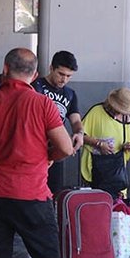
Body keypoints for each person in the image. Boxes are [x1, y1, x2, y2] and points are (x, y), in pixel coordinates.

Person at [0, 48, 82, 258]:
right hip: (32, 197)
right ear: (35, 76)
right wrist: (46, 156)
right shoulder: (43, 104)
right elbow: (65, 148)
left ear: (5, 69)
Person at [32, 50, 85, 192]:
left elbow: (75, 121)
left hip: (56, 149)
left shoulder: (70, 94)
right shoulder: (36, 87)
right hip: (35, 147)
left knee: (54, 191)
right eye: (61, 74)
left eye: (69, 76)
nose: (64, 79)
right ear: (51, 68)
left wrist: (79, 133)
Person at [79, 88, 130, 199]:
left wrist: (129, 146)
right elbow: (80, 135)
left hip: (116, 172)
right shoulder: (96, 111)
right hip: (95, 169)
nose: (119, 112)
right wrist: (99, 144)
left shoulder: (126, 118)